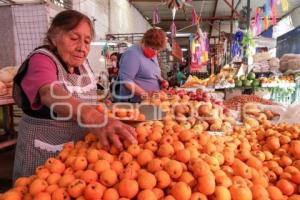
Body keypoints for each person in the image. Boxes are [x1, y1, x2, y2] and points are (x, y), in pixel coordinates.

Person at [12, 10, 136, 181]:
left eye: (87, 41)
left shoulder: (82, 65)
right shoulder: (41, 59)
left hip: (76, 159)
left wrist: (105, 108)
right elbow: (50, 93)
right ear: (54, 37)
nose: (82, 48)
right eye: (73, 38)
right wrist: (94, 117)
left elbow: (87, 96)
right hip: (43, 156)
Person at [118, 28, 168, 103]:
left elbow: (151, 73)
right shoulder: (132, 54)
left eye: (157, 49)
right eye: (153, 48)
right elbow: (127, 82)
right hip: (134, 103)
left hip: (150, 101)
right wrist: (146, 96)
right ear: (144, 42)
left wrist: (161, 81)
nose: (155, 52)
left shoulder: (152, 54)